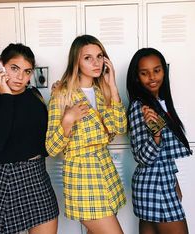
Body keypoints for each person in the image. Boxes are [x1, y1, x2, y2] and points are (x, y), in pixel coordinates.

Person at [0, 43, 59, 234]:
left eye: (27, 71)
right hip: (6, 177)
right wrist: (6, 95)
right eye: (14, 68)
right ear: (0, 65)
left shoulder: (34, 95)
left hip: (37, 176)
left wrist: (59, 101)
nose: (21, 77)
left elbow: (45, 147)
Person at [46, 34, 127, 234]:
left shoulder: (102, 91)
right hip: (82, 177)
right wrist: (67, 120)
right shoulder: (62, 94)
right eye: (88, 58)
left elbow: (120, 128)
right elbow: (51, 148)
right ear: (76, 61)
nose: (96, 62)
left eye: (100, 56)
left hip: (106, 172)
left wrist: (113, 87)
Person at [126, 47, 192, 234]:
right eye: (144, 73)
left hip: (162, 182)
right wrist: (156, 134)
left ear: (164, 70)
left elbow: (166, 153)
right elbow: (143, 157)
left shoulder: (160, 102)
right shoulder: (140, 106)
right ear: (137, 77)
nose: (152, 77)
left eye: (157, 70)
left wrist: (175, 183)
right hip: (155, 185)